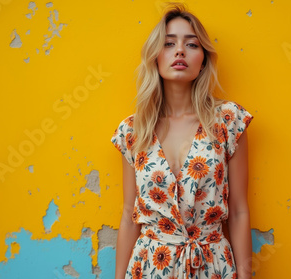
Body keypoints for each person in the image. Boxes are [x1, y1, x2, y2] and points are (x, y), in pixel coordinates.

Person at [111, 3, 253, 278]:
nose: (179, 51)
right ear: (155, 57)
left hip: (212, 265)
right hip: (151, 266)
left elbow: (238, 211)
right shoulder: (133, 130)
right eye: (168, 44)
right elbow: (130, 214)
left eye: (191, 44)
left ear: (203, 60)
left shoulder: (228, 121)